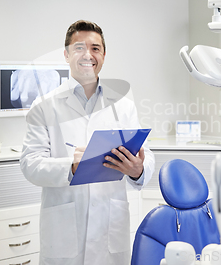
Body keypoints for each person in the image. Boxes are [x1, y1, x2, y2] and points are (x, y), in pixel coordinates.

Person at [20, 20, 155, 265]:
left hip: (110, 226)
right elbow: (30, 164)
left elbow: (145, 153)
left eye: (95, 48)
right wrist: (70, 167)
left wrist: (138, 170)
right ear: (66, 54)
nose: (88, 55)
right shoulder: (45, 106)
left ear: (103, 55)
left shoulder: (123, 105)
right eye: (79, 47)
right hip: (64, 231)